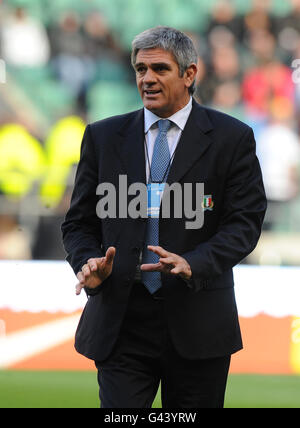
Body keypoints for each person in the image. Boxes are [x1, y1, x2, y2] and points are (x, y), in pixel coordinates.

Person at [62, 26, 267, 409]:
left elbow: (245, 222)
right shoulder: (103, 137)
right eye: (140, 69)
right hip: (121, 320)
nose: (147, 78)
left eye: (159, 68)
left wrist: (195, 262)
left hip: (199, 317)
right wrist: (87, 261)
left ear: (190, 74)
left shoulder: (231, 138)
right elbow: (78, 223)